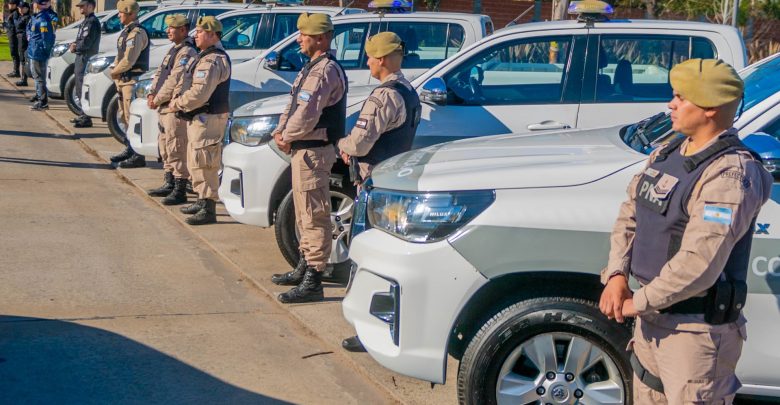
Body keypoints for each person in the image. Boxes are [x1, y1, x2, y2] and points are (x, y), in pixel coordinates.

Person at [599, 59, 773, 404]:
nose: (671, 104)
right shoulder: (670, 151)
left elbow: (699, 264)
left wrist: (639, 303)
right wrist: (617, 273)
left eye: (681, 97)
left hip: (694, 334)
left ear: (709, 108)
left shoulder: (731, 174)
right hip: (650, 323)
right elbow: (631, 213)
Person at [336, 31, 421, 352]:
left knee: (366, 260)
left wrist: (343, 146)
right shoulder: (408, 90)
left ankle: (368, 329)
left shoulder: (383, 96)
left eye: (371, 57)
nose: (368, 62)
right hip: (394, 182)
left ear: (382, 60)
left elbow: (360, 142)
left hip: (374, 184)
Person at [270, 13, 346, 304]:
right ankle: (304, 266)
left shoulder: (324, 70)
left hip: (314, 151)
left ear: (320, 38)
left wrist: (286, 136)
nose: (299, 39)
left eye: (304, 34)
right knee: (303, 214)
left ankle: (314, 279)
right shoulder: (310, 68)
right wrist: (282, 132)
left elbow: (307, 114)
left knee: (314, 215)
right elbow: (292, 106)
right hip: (303, 150)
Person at [169, 16, 230, 225]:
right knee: (196, 161)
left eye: (201, 32)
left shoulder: (213, 60)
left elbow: (199, 94)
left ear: (213, 35)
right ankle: (201, 198)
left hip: (208, 118)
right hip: (200, 118)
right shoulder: (204, 56)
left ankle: (208, 206)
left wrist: (177, 103)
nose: (195, 35)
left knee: (205, 162)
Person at [145, 14, 197, 205]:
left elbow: (175, 79)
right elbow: (160, 73)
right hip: (163, 106)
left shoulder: (187, 52)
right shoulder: (174, 49)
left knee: (177, 147)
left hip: (173, 106)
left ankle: (180, 187)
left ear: (183, 30)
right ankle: (169, 181)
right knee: (165, 146)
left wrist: (157, 98)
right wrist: (152, 93)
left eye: (172, 28)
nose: (168, 31)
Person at [108, 0, 149, 168]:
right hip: (123, 80)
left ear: (131, 14)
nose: (118, 15)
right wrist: (116, 72)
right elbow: (120, 55)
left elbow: (129, 59)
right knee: (125, 117)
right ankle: (129, 148)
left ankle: (138, 156)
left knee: (132, 118)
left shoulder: (137, 33)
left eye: (121, 13)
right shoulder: (126, 32)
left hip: (132, 80)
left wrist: (114, 71)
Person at [70, 0, 101, 128]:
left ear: (90, 6)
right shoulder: (86, 21)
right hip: (81, 57)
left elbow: (86, 42)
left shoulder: (92, 22)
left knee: (82, 87)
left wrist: (75, 47)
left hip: (86, 57)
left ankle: (86, 117)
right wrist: (75, 44)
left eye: (82, 6)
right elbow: (80, 39)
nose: (80, 8)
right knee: (79, 86)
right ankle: (83, 114)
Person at [26, 0, 57, 111]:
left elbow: (47, 39)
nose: (33, 5)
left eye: (34, 3)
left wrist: (44, 51)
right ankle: (40, 99)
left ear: (38, 5)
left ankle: (43, 102)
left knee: (39, 78)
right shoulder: (36, 17)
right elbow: (29, 29)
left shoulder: (43, 19)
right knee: (37, 77)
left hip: (38, 53)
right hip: (33, 51)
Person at [13, 2, 31, 86]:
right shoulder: (22, 17)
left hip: (23, 39)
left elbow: (23, 28)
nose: (19, 9)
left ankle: (24, 79)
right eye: (19, 8)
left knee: (23, 59)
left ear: (26, 8)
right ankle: (23, 79)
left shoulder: (27, 17)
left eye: (21, 8)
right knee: (22, 58)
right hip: (20, 38)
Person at [5, 0, 21, 78]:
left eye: (11, 4)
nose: (9, 5)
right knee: (14, 53)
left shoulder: (15, 13)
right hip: (11, 35)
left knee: (14, 53)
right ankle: (15, 70)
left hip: (14, 36)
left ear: (15, 5)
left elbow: (16, 25)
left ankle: (16, 71)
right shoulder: (13, 13)